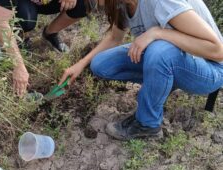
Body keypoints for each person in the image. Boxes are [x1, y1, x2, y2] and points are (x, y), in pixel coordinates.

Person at [59, 0, 223, 140]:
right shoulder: (121, 3)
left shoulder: (159, 2)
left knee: (159, 52)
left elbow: (217, 50)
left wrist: (156, 32)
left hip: (210, 70)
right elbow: (114, 38)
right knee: (101, 64)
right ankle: (163, 81)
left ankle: (147, 124)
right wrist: (81, 63)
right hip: (177, 58)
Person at [0, 0, 96, 96]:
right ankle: (17, 37)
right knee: (26, 20)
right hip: (21, 4)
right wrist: (18, 66)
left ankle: (50, 33)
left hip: (45, 3)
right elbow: (0, 24)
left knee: (86, 3)